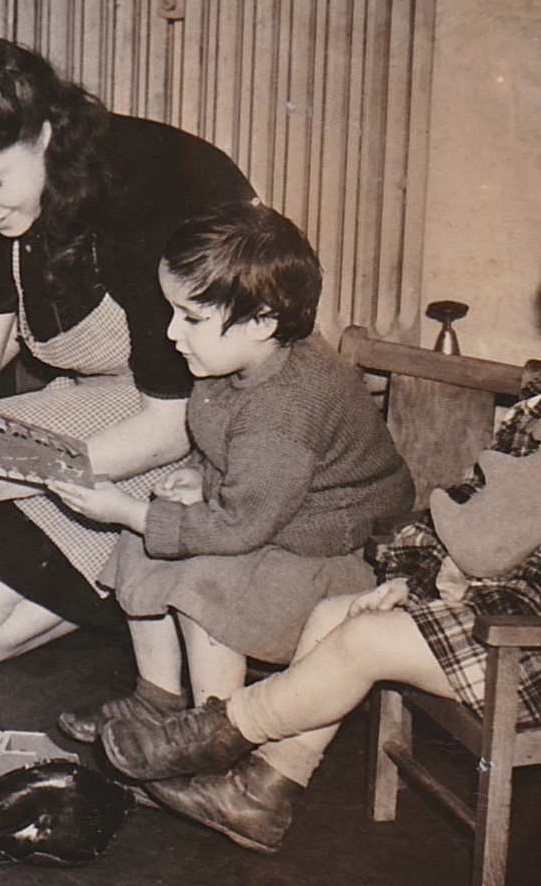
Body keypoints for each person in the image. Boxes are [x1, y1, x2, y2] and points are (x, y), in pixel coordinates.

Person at [106, 171, 541, 855]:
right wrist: (415, 575)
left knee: (364, 644)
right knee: (335, 616)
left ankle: (219, 733)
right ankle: (265, 792)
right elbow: (477, 502)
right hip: (502, 609)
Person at [0, 35, 255, 672]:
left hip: (216, 419)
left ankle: (161, 593)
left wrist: (9, 475)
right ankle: (134, 593)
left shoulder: (150, 188)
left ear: (44, 133)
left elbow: (174, 424)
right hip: (120, 403)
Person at [47, 201, 412, 741]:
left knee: (206, 583)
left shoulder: (287, 407)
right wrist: (202, 472)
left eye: (191, 318)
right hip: (280, 516)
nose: (172, 333)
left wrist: (127, 510)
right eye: (173, 312)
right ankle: (157, 701)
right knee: (143, 540)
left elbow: (242, 524)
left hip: (335, 552)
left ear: (263, 321)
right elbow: (237, 447)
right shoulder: (238, 357)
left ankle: (212, 732)